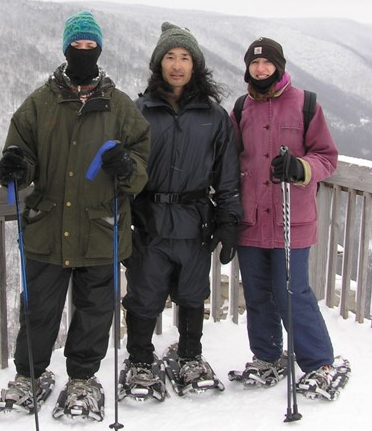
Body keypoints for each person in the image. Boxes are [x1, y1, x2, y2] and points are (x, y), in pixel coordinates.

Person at [0, 11, 150, 420]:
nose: (84, 53)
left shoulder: (119, 106)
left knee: (96, 310)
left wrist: (126, 166)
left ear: (100, 49)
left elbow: (142, 158)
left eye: (90, 46)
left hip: (101, 227)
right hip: (46, 227)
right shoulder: (40, 103)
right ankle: (29, 375)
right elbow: (20, 154)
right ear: (65, 49)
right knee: (39, 309)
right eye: (76, 46)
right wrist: (14, 166)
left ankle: (83, 378)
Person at [120, 22, 242, 399]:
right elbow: (123, 175)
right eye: (170, 57)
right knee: (144, 294)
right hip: (149, 221)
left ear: (196, 65)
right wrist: (122, 224)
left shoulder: (214, 116)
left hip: (194, 221)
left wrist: (228, 219)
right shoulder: (139, 111)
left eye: (184, 57)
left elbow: (227, 175)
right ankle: (140, 359)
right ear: (159, 64)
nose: (177, 65)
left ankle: (190, 355)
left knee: (192, 293)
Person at [229, 37, 347, 398]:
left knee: (292, 292)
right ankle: (266, 356)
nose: (260, 69)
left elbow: (327, 156)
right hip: (251, 221)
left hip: (289, 220)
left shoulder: (305, 104)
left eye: (267, 64)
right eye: (254, 64)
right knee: (258, 293)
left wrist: (300, 167)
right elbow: (231, 160)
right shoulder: (241, 108)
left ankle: (319, 363)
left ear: (279, 67)